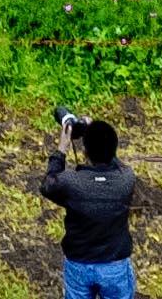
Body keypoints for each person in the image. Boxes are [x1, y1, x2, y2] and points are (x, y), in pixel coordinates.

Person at [34, 111, 143, 299]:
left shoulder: (72, 183)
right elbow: (115, 162)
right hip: (114, 265)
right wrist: (95, 131)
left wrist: (62, 148)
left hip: (79, 263)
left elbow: (48, 184)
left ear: (85, 151)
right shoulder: (126, 179)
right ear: (114, 149)